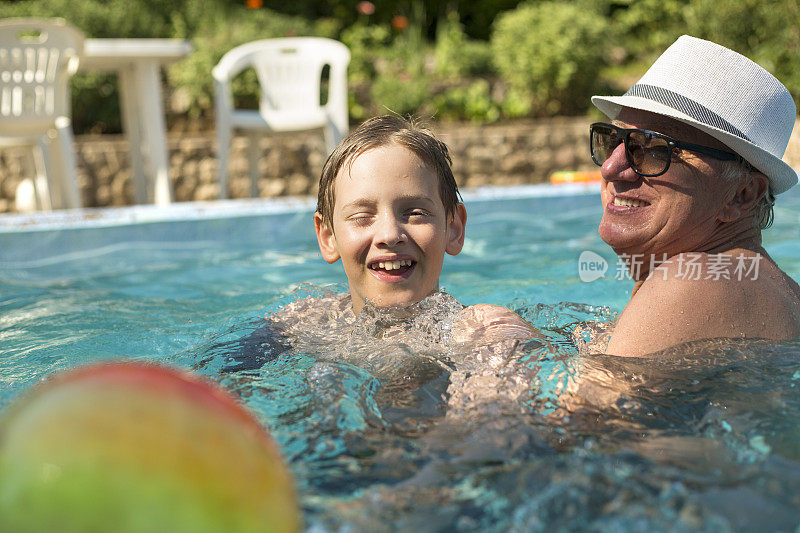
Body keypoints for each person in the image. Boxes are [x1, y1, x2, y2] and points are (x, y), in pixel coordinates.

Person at [223, 115, 534, 373]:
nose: (389, 234)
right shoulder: (299, 325)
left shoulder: (485, 333)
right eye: (361, 216)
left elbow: (495, 434)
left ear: (453, 228)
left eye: (415, 212)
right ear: (328, 236)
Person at [587, 35, 800, 356]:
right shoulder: (783, 293)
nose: (611, 168)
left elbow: (587, 408)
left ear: (742, 195)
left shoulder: (687, 284)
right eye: (612, 139)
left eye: (653, 149)